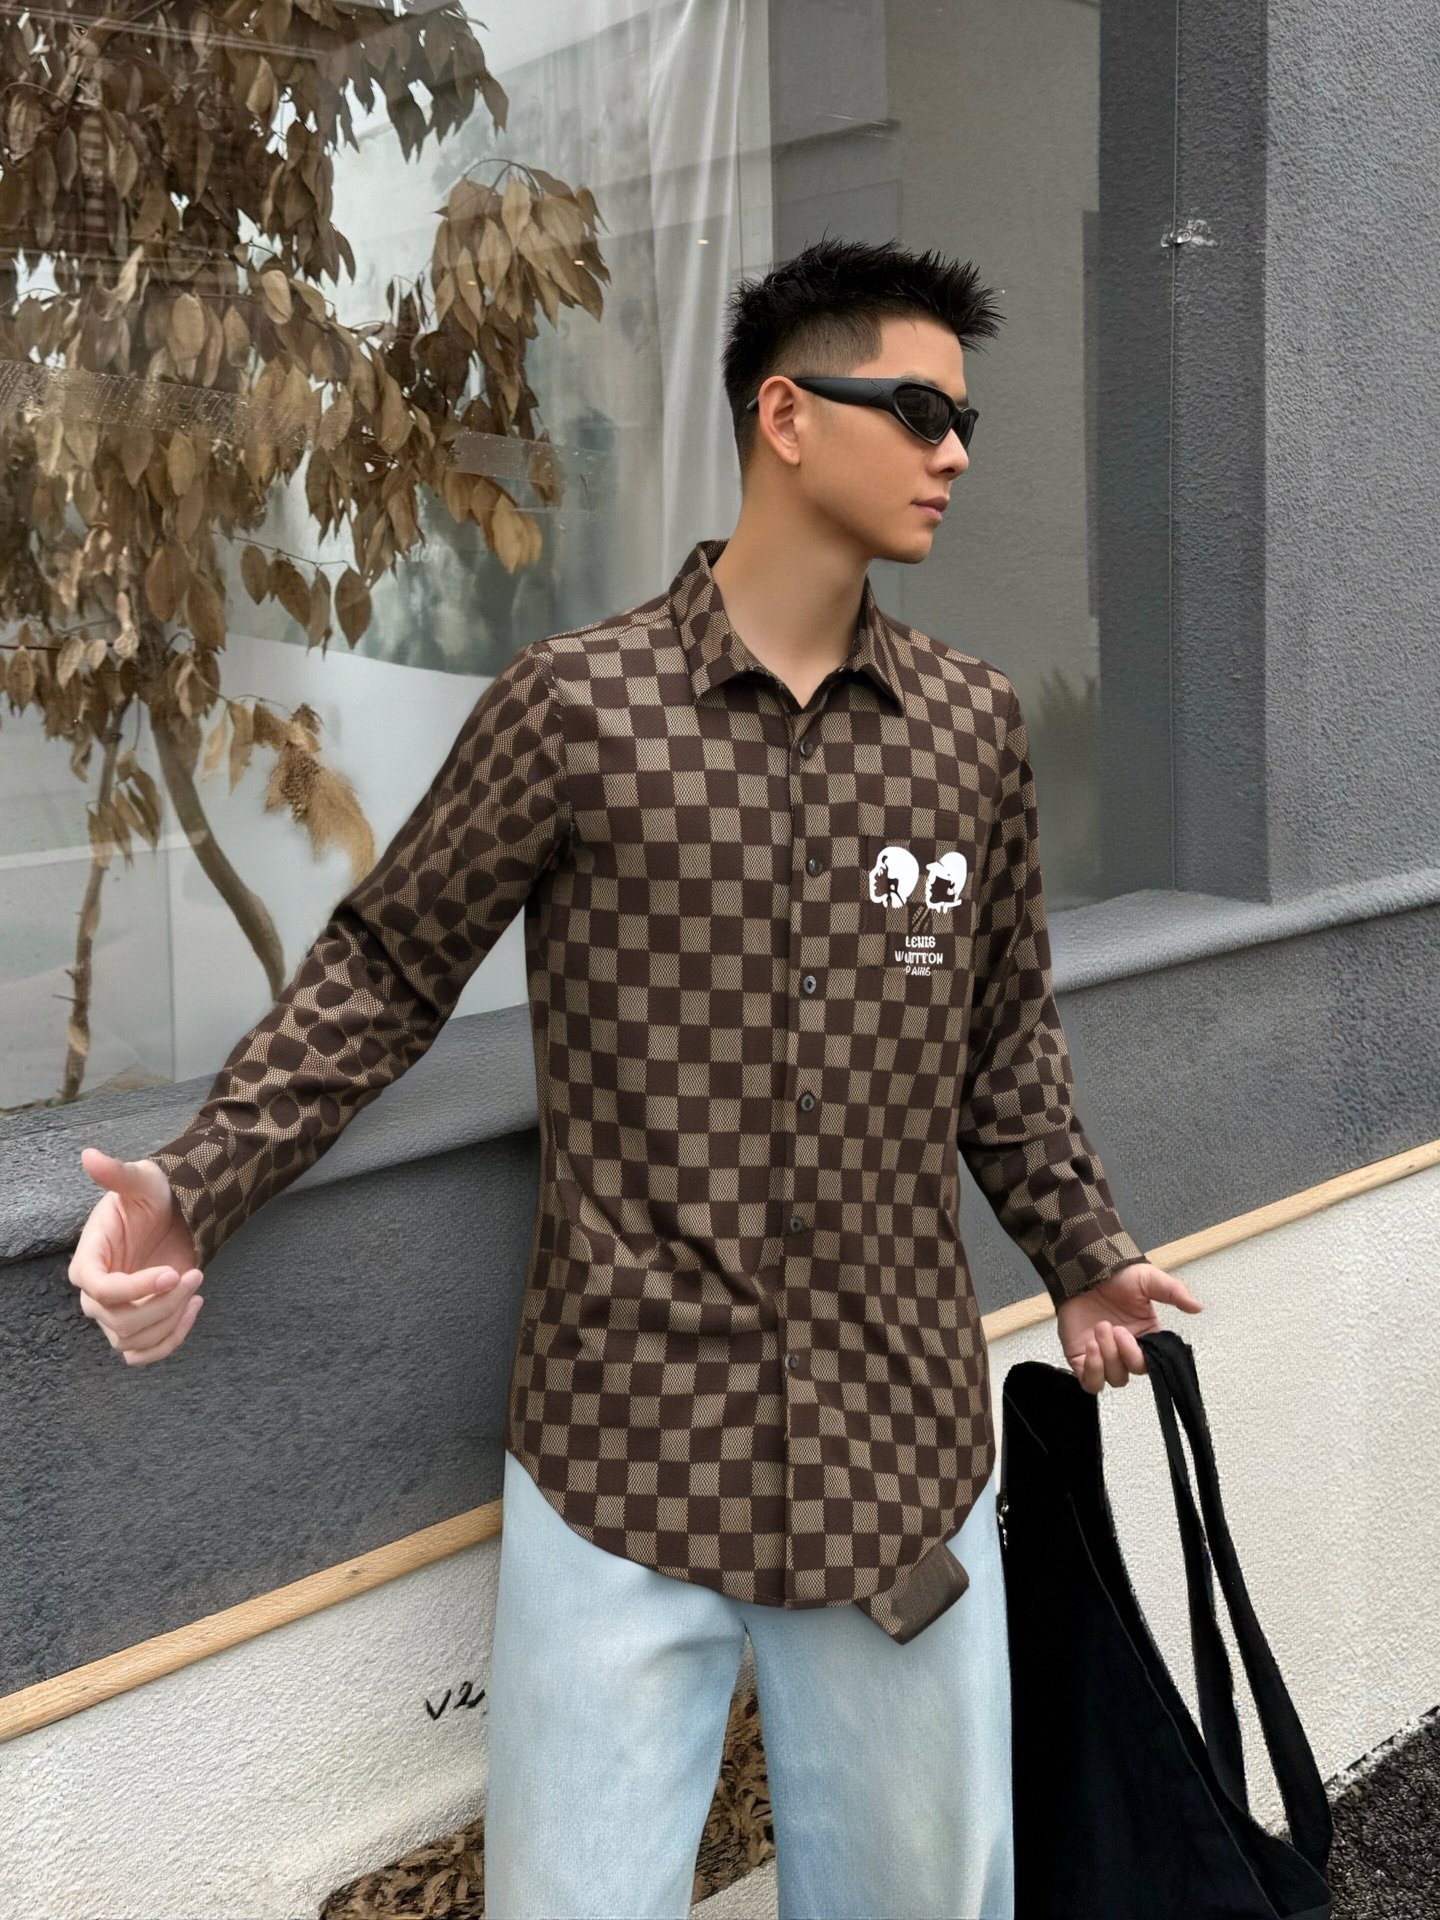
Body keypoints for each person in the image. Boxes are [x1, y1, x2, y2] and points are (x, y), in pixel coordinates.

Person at [69, 235, 1202, 1920]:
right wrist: (195, 1186)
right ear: (786, 417)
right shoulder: (576, 709)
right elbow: (388, 965)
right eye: (920, 410)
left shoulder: (970, 731)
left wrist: (1082, 1250)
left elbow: (1005, 1041)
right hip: (619, 1455)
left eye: (967, 419)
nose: (957, 451)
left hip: (901, 1457)